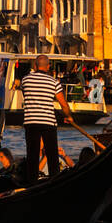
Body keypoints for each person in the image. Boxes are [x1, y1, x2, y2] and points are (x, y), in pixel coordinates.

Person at [20, 55, 74, 184]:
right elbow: (63, 104)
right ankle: (54, 181)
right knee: (52, 154)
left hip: (31, 122)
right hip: (48, 123)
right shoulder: (54, 82)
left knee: (32, 154)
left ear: (35, 65)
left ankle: (31, 183)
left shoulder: (25, 80)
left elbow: (26, 95)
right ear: (48, 66)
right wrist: (69, 117)